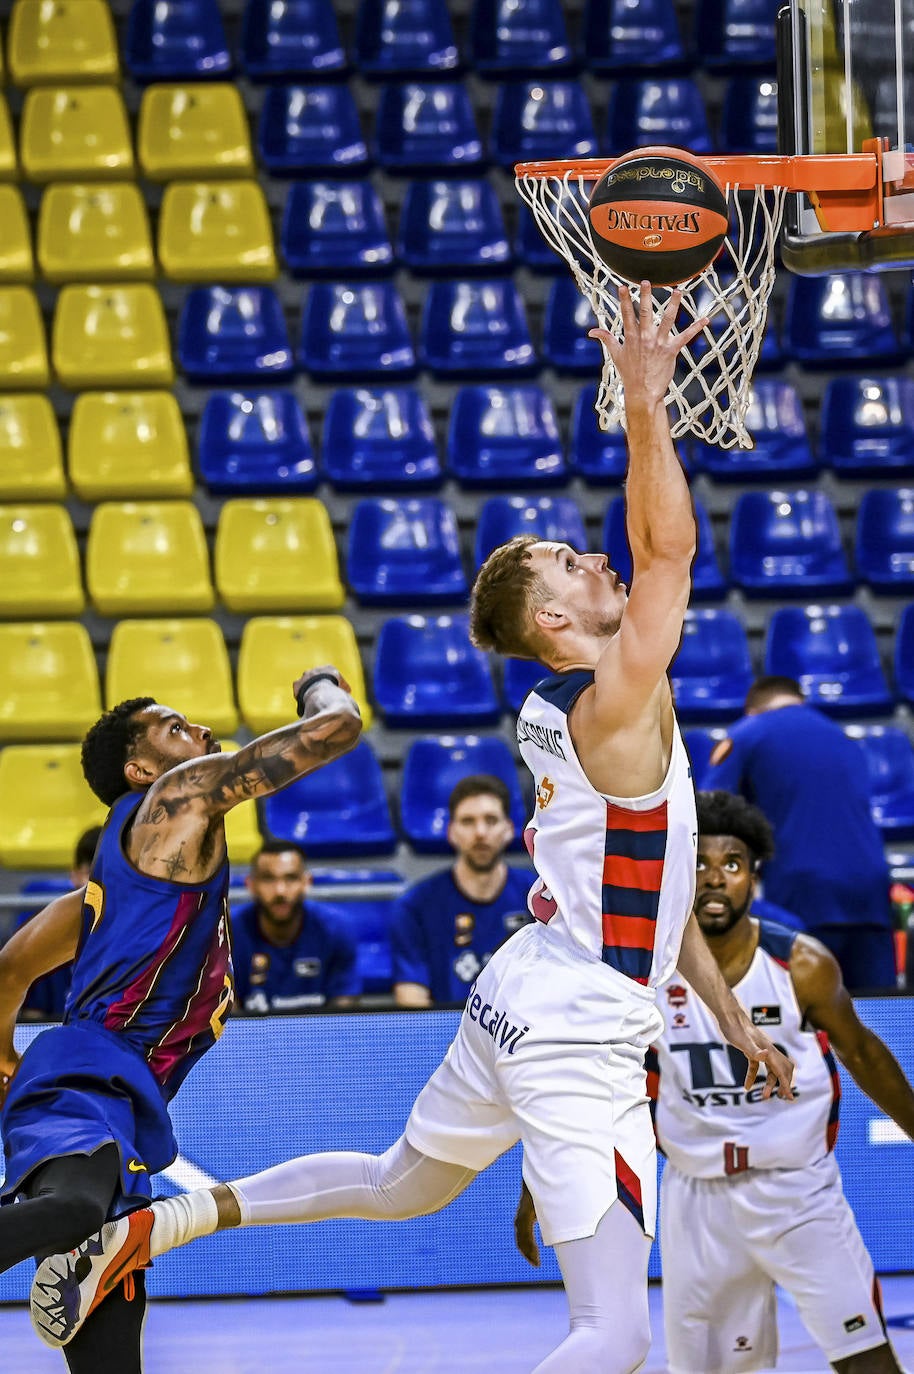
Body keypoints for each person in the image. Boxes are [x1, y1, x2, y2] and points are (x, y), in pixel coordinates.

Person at [31, 285, 795, 1374]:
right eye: (569, 566)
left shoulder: (562, 709)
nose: (596, 560)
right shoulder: (616, 702)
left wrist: (723, 1019)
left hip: (525, 987)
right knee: (616, 1335)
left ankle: (161, 1224)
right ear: (551, 623)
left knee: (400, 1185)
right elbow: (666, 550)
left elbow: (659, 895)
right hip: (578, 1026)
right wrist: (642, 400)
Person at [0, 667, 361, 1373]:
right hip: (83, 1079)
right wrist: (320, 681)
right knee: (75, 1210)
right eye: (173, 728)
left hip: (123, 1102)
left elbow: (10, 968)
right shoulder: (177, 796)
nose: (196, 729)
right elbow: (334, 729)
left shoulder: (122, 885)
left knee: (110, 1353)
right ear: (142, 770)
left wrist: (4, 1060)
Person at [516, 789, 913, 1372]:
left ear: (755, 876)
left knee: (864, 1356)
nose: (713, 879)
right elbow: (596, 1087)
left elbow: (865, 1055)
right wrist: (539, 1186)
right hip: (697, 1199)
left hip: (798, 1192)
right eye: (699, 863)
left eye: (732, 865)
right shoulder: (643, 974)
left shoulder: (801, 965)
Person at [707, 675, 896, 990]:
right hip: (871, 892)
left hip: (802, 893)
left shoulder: (748, 732)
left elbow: (711, 811)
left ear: (753, 709)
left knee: (804, 1020)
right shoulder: (844, 738)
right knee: (878, 1018)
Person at [392, 774, 532, 1007]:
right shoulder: (414, 907)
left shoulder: (539, 897)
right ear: (451, 832)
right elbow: (411, 1000)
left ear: (509, 829)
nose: (480, 832)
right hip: (446, 1036)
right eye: (468, 821)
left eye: (491, 820)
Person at [232, 839, 360, 1012]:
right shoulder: (227, 933)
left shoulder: (337, 929)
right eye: (268, 879)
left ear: (307, 883)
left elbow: (344, 1009)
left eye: (290, 878)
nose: (280, 891)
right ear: (251, 885)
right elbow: (227, 1018)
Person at [18, 825, 102, 1022]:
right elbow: (32, 1021)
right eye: (92, 872)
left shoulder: (141, 942)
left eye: (112, 875)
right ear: (74, 875)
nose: (101, 884)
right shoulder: (45, 941)